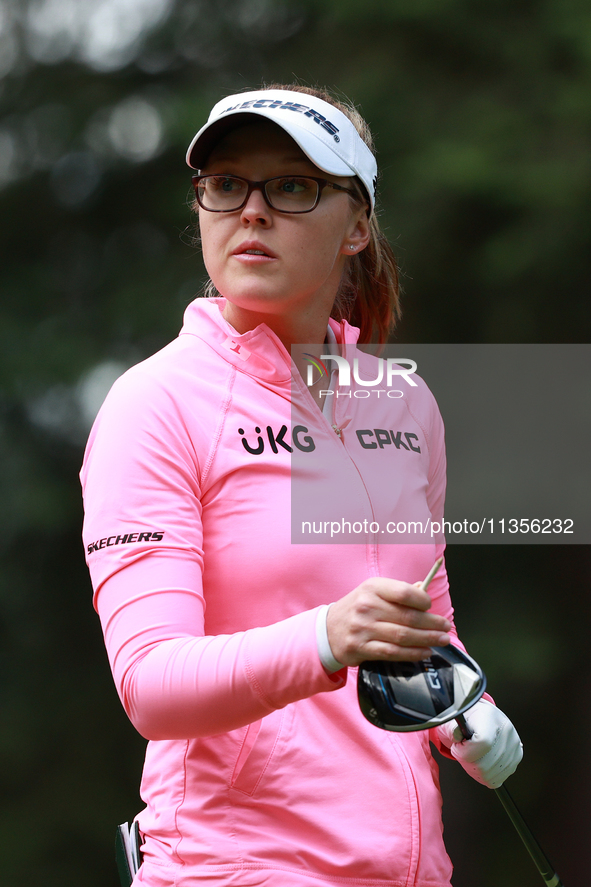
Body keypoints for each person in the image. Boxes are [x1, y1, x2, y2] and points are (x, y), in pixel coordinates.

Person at [80, 84, 523, 887]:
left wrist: (463, 708)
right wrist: (325, 638)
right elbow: (151, 682)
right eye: (225, 185)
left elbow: (423, 622)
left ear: (357, 224)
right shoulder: (156, 403)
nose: (250, 210)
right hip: (231, 868)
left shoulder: (402, 401)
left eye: (291, 186)